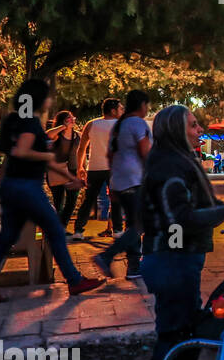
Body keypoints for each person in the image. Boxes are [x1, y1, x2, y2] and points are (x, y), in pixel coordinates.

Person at [136, 105, 224, 360]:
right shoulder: (171, 165)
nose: (199, 130)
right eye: (193, 126)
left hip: (178, 258)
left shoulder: (173, 159)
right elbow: (178, 218)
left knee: (183, 331)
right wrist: (220, 212)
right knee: (172, 337)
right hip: (171, 257)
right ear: (178, 130)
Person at [0, 80, 106, 304]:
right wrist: (45, 156)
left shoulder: (13, 120)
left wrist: (71, 178)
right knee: (55, 230)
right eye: (47, 96)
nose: (50, 100)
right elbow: (22, 151)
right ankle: (75, 281)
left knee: (7, 238)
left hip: (12, 185)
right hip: (26, 187)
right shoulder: (29, 121)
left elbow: (12, 150)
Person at [93, 90, 151, 280]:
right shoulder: (137, 123)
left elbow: (110, 155)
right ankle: (107, 255)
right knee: (140, 224)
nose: (147, 109)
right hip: (135, 180)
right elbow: (145, 152)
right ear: (142, 105)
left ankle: (134, 267)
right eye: (147, 105)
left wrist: (114, 182)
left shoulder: (119, 126)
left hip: (119, 180)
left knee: (133, 224)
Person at [71, 97, 122, 240]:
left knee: (88, 200)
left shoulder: (91, 124)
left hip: (94, 168)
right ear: (113, 110)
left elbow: (81, 148)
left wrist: (80, 167)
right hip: (114, 168)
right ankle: (117, 230)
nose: (122, 111)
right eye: (120, 108)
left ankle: (78, 230)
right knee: (115, 199)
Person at [47, 111, 82, 226]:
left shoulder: (77, 135)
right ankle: (58, 228)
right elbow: (48, 135)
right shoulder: (58, 135)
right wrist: (63, 126)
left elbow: (81, 152)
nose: (72, 120)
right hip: (56, 170)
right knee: (58, 202)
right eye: (69, 118)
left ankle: (62, 226)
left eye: (73, 117)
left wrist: (82, 168)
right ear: (62, 120)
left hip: (72, 170)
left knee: (72, 200)